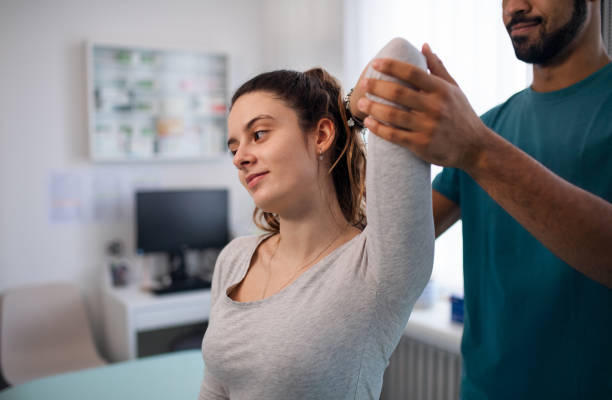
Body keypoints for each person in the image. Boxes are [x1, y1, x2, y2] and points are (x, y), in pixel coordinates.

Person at [350, 0, 612, 398]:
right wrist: (352, 116)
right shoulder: (488, 126)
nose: (515, 7)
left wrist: (478, 149)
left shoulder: (478, 138)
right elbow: (376, 246)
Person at [199, 41, 434, 399]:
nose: (240, 158)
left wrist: (345, 108)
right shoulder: (234, 259)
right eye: (234, 148)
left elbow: (400, 58)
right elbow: (215, 389)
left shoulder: (377, 269)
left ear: (322, 134)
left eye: (258, 134)